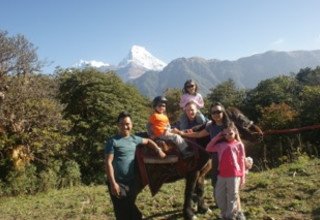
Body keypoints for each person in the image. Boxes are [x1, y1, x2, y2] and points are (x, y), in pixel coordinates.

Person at [105, 111, 166, 220]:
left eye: (127, 124)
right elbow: (108, 162)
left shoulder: (134, 139)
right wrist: (113, 183)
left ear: (131, 125)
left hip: (131, 182)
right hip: (117, 182)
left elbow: (147, 141)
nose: (125, 126)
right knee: (122, 213)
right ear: (118, 125)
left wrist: (158, 149)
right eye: (122, 124)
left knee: (129, 207)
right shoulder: (113, 141)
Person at [174, 102, 231, 186]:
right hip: (216, 157)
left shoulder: (230, 126)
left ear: (223, 112)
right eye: (213, 112)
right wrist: (181, 133)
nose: (216, 114)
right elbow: (198, 134)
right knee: (216, 183)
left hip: (229, 157)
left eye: (218, 112)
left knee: (230, 184)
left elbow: (238, 143)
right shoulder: (211, 126)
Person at [206, 122, 246, 220]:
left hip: (234, 175)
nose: (227, 136)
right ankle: (224, 213)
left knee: (232, 196)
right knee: (219, 196)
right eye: (225, 134)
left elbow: (241, 161)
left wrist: (243, 176)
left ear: (235, 132)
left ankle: (230, 216)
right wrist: (218, 136)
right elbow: (208, 148)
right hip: (222, 175)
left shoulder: (239, 145)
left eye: (230, 133)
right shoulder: (221, 145)